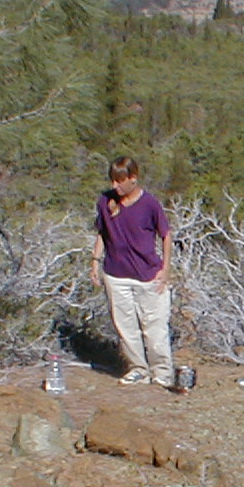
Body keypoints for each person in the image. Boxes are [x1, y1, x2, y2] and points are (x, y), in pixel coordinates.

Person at [89, 156, 174, 387]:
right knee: (125, 328)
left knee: (154, 328)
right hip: (116, 275)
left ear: (133, 178)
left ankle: (162, 373)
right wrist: (95, 261)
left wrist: (165, 269)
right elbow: (102, 233)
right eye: (112, 181)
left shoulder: (149, 204)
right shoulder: (105, 202)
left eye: (120, 181)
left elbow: (166, 235)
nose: (115, 186)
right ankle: (138, 369)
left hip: (148, 275)